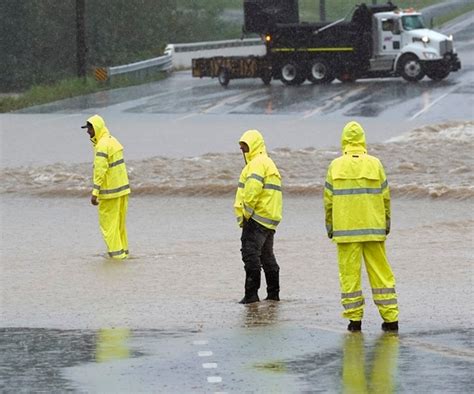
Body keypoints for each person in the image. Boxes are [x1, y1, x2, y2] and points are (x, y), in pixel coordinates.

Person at [324, 121, 399, 332]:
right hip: (374, 230)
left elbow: (328, 201)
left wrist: (330, 226)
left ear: (345, 140)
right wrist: (386, 224)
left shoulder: (335, 165)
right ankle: (391, 319)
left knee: (349, 277)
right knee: (382, 274)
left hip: (345, 232)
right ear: (362, 139)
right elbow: (385, 197)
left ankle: (354, 321)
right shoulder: (375, 164)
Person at [234, 129, 283, 304]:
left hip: (256, 219)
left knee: (250, 255)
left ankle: (251, 295)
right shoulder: (268, 163)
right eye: (241, 148)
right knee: (267, 257)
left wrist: (246, 214)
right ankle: (273, 294)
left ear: (253, 146)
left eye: (245, 147)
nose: (243, 151)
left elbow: (251, 192)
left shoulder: (256, 164)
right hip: (269, 220)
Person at [82, 115, 131, 260]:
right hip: (122, 190)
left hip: (110, 193)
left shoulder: (102, 145)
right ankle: (123, 253)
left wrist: (94, 192)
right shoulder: (113, 141)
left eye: (90, 128)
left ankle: (116, 256)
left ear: (96, 128)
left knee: (108, 226)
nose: (88, 132)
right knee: (119, 225)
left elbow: (100, 170)